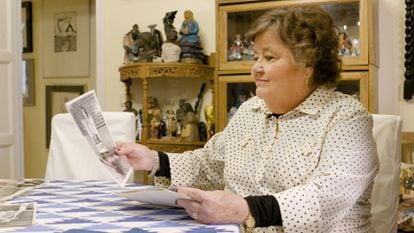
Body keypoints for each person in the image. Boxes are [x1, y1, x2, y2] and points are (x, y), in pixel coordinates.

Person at [116, 6, 378, 233]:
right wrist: (153, 160)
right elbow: (209, 165)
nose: (256, 68)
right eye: (256, 57)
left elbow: (329, 196)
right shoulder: (250, 110)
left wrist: (244, 208)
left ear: (308, 64)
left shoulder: (347, 117)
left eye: (269, 57)